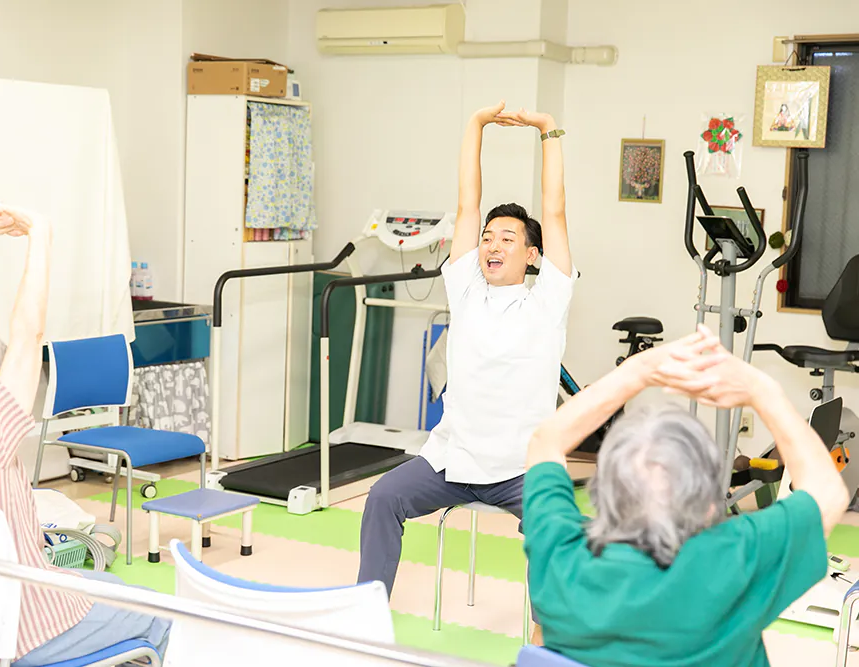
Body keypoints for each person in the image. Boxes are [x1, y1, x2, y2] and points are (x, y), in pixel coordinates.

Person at [0, 203, 171, 667]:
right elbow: (27, 334)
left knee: (112, 587)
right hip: (15, 635)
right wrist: (41, 236)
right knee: (161, 613)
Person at [356, 100, 576, 632]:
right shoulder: (466, 290)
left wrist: (548, 132)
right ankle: (361, 620)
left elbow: (556, 211)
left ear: (532, 256)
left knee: (556, 529)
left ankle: (550, 645)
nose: (493, 243)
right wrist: (475, 125)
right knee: (383, 498)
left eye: (508, 238)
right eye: (487, 237)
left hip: (523, 470)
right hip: (453, 462)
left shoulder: (547, 299)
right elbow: (467, 201)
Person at [523, 325, 850, 667]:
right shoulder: (737, 558)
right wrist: (762, 390)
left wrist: (637, 371)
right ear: (711, 503)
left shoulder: (560, 554)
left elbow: (546, 442)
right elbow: (827, 492)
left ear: (602, 493)